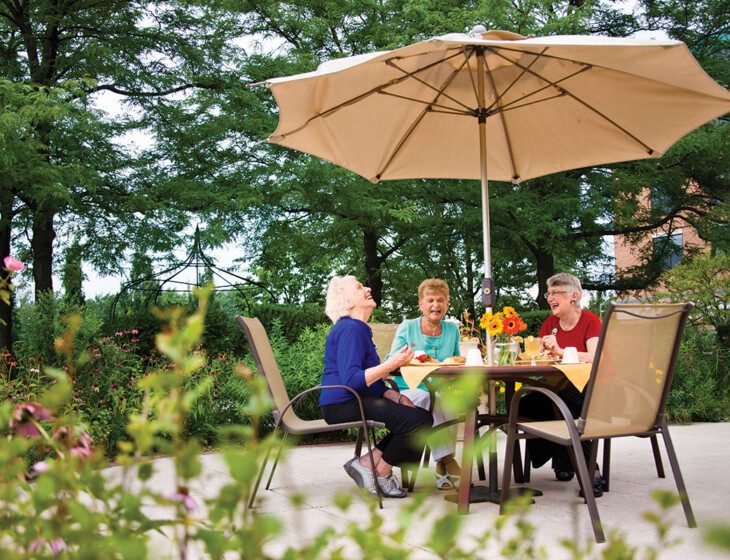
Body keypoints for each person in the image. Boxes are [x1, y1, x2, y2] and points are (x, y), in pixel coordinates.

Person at [320, 275, 433, 498]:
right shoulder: (351, 329)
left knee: (417, 416)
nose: (368, 288)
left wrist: (397, 397)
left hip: (355, 399)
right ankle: (381, 471)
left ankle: (366, 463)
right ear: (347, 301)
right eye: (360, 287)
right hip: (342, 403)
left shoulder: (358, 328)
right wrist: (392, 364)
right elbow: (352, 380)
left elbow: (372, 384)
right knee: (419, 421)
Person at [518, 272, 604, 496]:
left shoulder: (590, 320)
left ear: (574, 296)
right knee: (523, 405)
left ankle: (589, 469)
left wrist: (561, 351)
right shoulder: (550, 323)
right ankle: (564, 460)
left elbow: (596, 357)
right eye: (549, 293)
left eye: (556, 292)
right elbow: (540, 358)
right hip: (556, 387)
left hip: (588, 389)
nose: (550, 297)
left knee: (566, 401)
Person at [386, 278, 462, 490]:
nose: (435, 305)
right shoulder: (408, 327)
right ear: (421, 304)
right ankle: (447, 460)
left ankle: (441, 463)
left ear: (448, 303)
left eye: (440, 300)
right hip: (406, 388)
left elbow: (455, 361)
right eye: (430, 300)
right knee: (429, 398)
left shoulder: (452, 330)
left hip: (439, 388)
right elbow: (393, 361)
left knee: (448, 399)